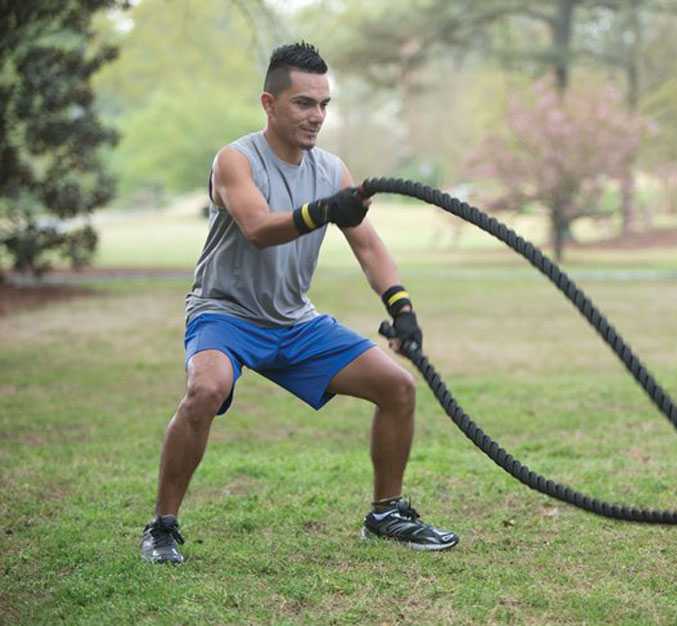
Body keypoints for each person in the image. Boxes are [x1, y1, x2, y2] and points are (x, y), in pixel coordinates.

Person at [140, 42, 459, 563]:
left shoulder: (332, 171)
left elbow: (368, 245)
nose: (317, 116)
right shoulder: (235, 160)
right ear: (269, 103)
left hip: (293, 321)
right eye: (303, 103)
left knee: (398, 387)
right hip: (225, 314)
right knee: (206, 389)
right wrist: (322, 211)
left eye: (324, 105)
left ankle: (386, 514)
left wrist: (401, 306)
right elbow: (259, 229)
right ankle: (162, 527)